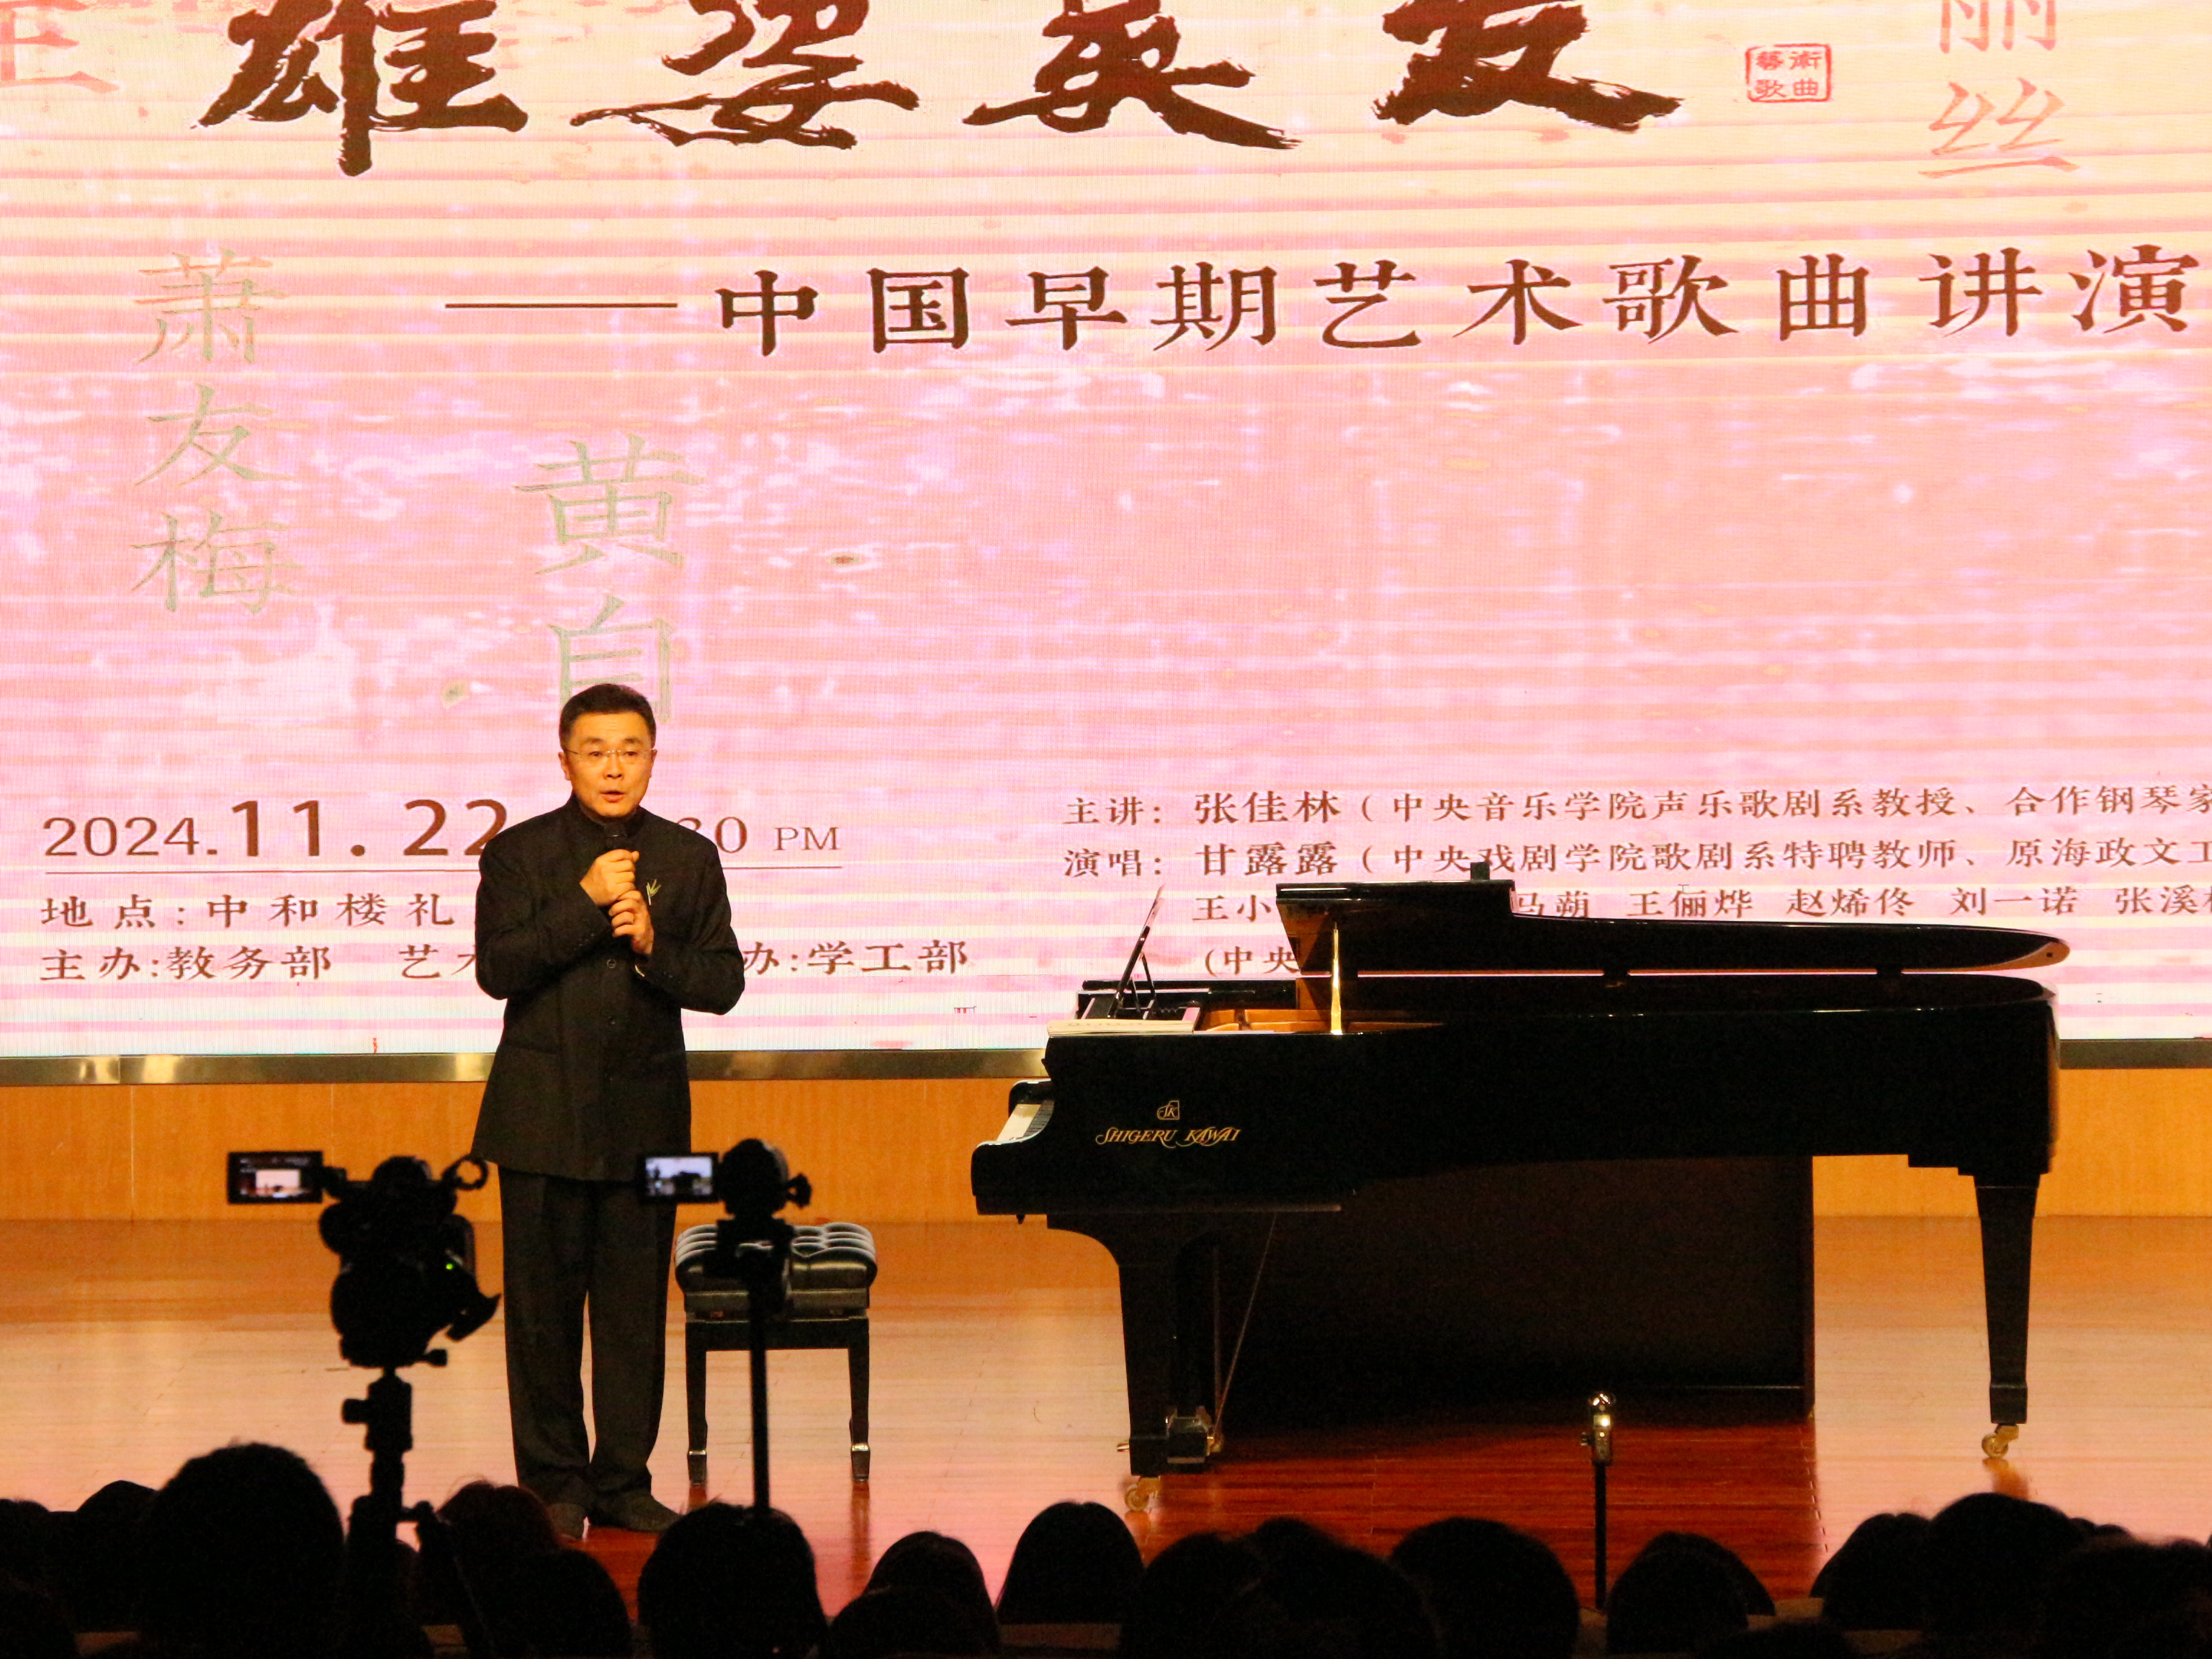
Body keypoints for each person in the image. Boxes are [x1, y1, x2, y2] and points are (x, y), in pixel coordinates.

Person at [472, 682, 745, 1538]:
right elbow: (498, 970)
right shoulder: (518, 854)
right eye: (595, 752)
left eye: (630, 750)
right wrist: (586, 902)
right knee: (542, 1321)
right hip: (538, 1121)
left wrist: (657, 946)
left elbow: (724, 984)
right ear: (565, 762)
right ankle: (555, 1485)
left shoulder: (688, 858)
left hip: (652, 1126)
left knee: (634, 1315)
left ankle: (624, 1481)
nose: (614, 768)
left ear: (654, 758)